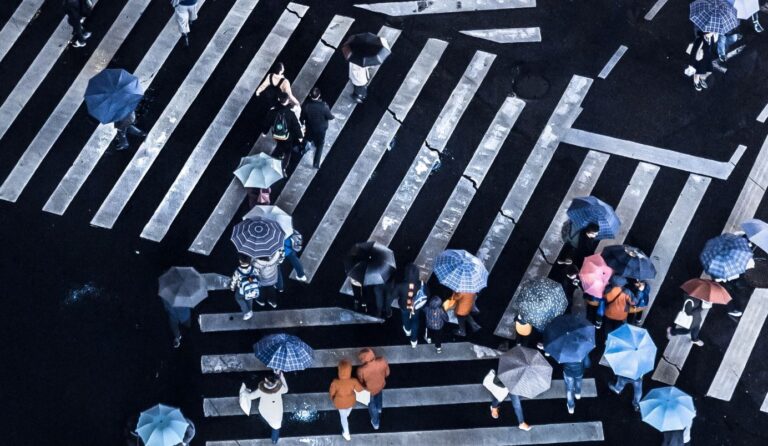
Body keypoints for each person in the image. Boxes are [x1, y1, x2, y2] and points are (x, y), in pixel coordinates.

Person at [262, 93, 303, 176]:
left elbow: (267, 123)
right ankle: (283, 168)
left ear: (278, 99)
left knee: (280, 144)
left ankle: (275, 158)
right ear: (287, 101)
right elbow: (296, 126)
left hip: (276, 135)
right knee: (288, 151)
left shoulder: (273, 111)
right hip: (287, 137)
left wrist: (264, 132)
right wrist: (300, 136)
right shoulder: (290, 113)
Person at [241, 372, 288, 444]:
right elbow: (286, 389)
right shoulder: (279, 388)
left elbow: (250, 397)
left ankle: (266, 424)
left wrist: (244, 392)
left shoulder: (261, 390)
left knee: (265, 419)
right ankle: (274, 440)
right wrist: (282, 377)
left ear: (266, 379)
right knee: (276, 427)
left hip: (264, 410)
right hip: (276, 413)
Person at [392, 264, 428, 348]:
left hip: (404, 306)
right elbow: (427, 295)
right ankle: (414, 340)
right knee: (415, 320)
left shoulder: (400, 285)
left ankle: (407, 330)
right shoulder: (422, 284)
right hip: (416, 307)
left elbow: (393, 295)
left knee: (405, 317)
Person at [329, 359, 363, 441]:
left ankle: (346, 433)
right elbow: (359, 390)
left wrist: (332, 399)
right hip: (351, 401)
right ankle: (347, 414)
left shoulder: (335, 382)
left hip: (340, 403)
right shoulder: (353, 381)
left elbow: (332, 393)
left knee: (343, 418)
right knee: (347, 410)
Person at [300, 87, 335, 169]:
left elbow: (302, 118)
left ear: (310, 95)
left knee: (308, 138)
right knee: (320, 144)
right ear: (319, 95)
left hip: (310, 127)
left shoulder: (306, 105)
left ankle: (304, 149)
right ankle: (316, 163)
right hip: (321, 129)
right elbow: (330, 117)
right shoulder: (324, 106)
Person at [356, 348, 389, 430]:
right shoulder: (382, 360)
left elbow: (361, 382)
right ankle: (379, 408)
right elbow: (387, 373)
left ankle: (376, 422)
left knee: (371, 405)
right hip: (381, 384)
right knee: (379, 394)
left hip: (370, 390)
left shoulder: (361, 370)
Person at [230, 254, 258, 320]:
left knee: (238, 298)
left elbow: (234, 280)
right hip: (251, 286)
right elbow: (257, 274)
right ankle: (250, 310)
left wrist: (232, 287)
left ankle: (247, 312)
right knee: (249, 298)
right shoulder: (253, 268)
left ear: (240, 261)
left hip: (241, 288)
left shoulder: (238, 271)